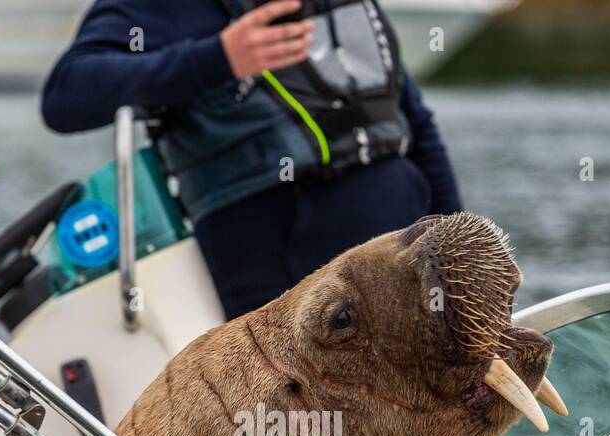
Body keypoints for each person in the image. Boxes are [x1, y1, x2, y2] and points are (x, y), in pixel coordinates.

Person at [42, 0, 462, 319]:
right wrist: (218, 60)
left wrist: (457, 255)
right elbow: (66, 93)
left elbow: (416, 125)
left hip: (403, 247)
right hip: (274, 271)